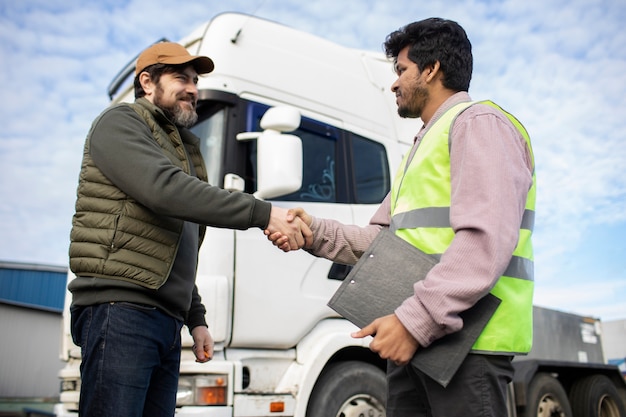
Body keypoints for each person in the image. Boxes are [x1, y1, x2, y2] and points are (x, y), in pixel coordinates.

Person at [268, 18, 536, 417]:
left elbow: (485, 242)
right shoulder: (424, 145)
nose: (394, 83)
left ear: (432, 69)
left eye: (401, 70)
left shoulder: (479, 123)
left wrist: (414, 322)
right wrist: (313, 232)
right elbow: (381, 243)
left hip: (468, 349)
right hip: (421, 344)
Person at [68, 41, 310, 417]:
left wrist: (195, 318)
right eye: (182, 77)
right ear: (147, 83)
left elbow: (176, 247)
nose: (194, 89)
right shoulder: (120, 122)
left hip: (163, 321)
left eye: (196, 80)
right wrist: (263, 214)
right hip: (122, 310)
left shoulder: (181, 148)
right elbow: (163, 189)